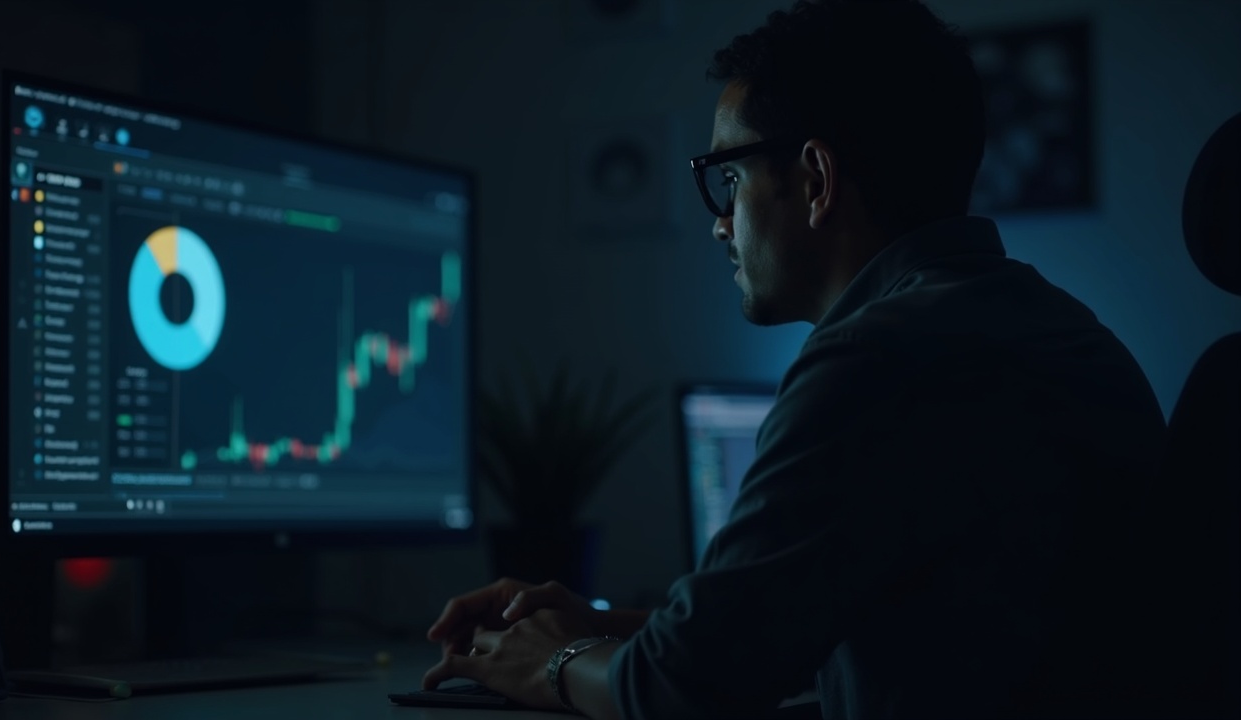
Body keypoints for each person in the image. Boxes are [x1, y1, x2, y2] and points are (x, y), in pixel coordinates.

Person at [422, 1, 1168, 718]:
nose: (721, 227)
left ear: (815, 180)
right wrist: (603, 625)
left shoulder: (876, 358)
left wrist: (549, 661)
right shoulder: (1049, 324)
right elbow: (837, 627)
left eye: (731, 180)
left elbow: (680, 692)